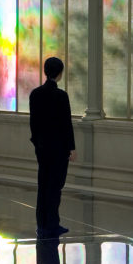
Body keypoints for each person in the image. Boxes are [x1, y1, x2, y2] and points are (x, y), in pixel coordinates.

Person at [29, 56, 76, 238]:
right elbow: (66, 125)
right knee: (55, 186)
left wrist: (36, 142)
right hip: (58, 149)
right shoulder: (61, 96)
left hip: (42, 148)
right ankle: (52, 223)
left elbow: (34, 123)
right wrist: (71, 148)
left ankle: (42, 222)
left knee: (43, 184)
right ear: (60, 73)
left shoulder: (35, 94)